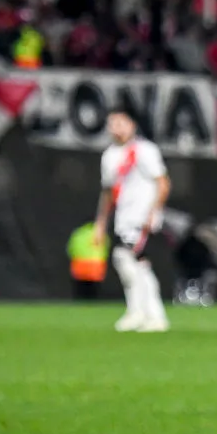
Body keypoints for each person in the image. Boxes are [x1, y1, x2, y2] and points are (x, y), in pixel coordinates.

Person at [92, 107, 171, 332]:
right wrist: (100, 223)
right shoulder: (109, 156)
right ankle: (146, 314)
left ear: (132, 124)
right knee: (139, 264)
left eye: (120, 122)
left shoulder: (144, 150)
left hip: (142, 216)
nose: (116, 128)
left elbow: (162, 182)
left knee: (125, 258)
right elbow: (107, 192)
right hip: (123, 218)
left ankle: (145, 313)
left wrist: (154, 211)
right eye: (112, 123)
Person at [66, 221, 109, 300]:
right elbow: (105, 247)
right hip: (96, 263)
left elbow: (71, 248)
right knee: (94, 288)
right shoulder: (99, 233)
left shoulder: (79, 233)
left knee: (81, 287)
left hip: (80, 262)